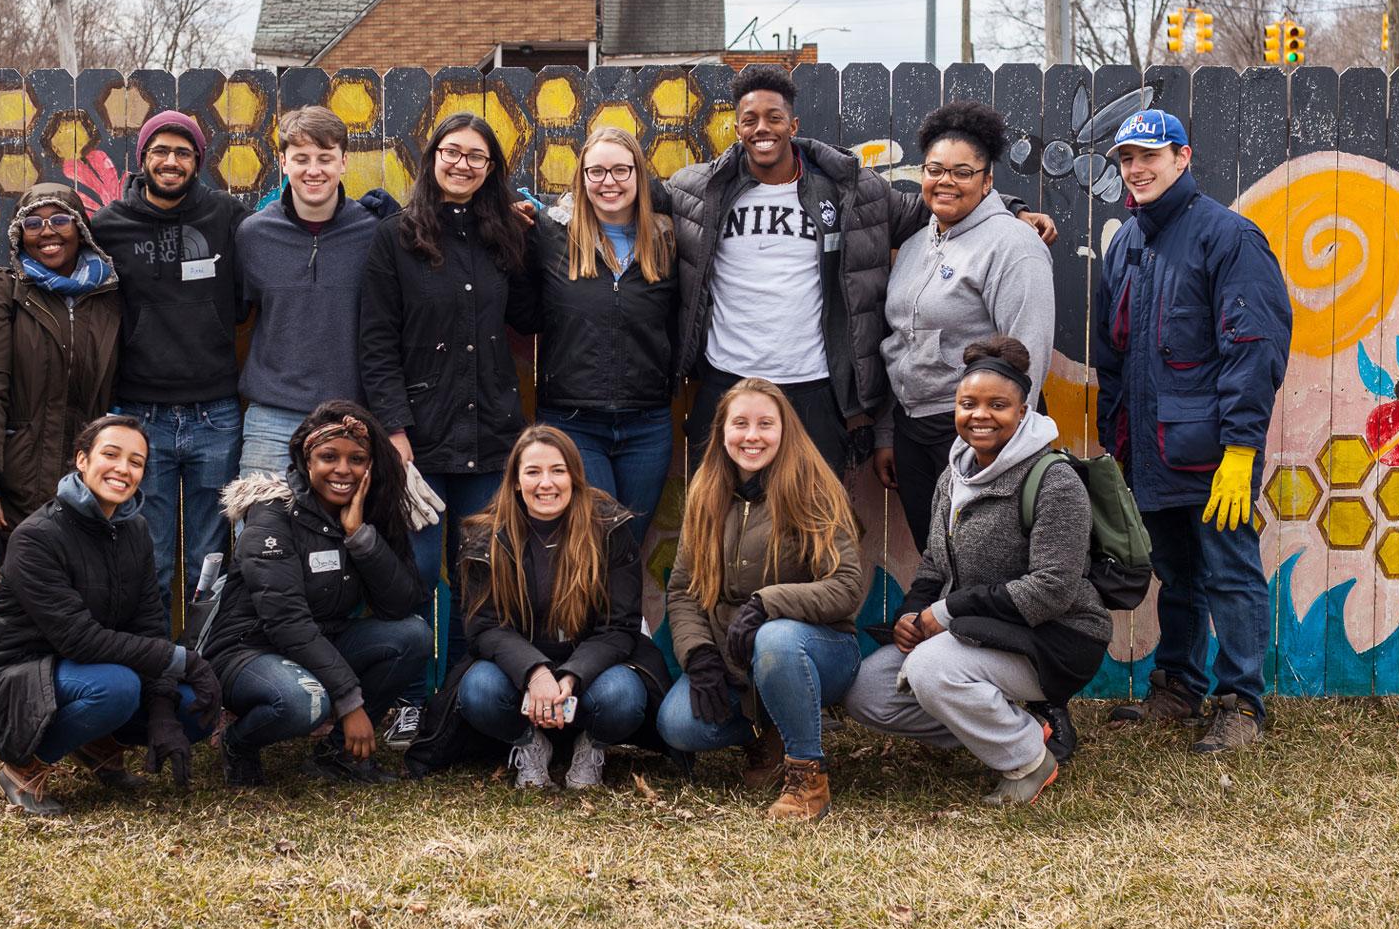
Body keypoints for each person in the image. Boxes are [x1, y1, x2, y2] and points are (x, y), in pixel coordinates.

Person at [662, 64, 1055, 477]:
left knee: (816, 522)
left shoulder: (847, 191)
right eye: (750, 119)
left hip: (814, 386)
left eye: (774, 118)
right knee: (715, 517)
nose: (763, 128)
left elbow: (936, 200)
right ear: (737, 128)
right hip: (727, 381)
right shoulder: (697, 191)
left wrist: (1011, 208)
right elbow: (633, 202)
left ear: (792, 124)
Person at [1092, 110, 1292, 753]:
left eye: (1151, 155)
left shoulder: (1227, 236)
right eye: (1126, 159)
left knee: (1229, 571)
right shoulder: (1125, 243)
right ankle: (1178, 686)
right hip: (1147, 450)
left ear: (1182, 158)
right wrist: (1115, 440)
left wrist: (1240, 450)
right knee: (1175, 569)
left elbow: (1254, 349)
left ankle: (1242, 703)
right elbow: (1114, 356)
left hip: (1212, 452)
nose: (1137, 169)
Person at [847, 336, 1112, 805]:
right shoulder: (955, 475)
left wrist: (945, 613)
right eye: (968, 403)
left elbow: (1051, 589)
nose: (980, 415)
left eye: (998, 405)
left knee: (930, 669)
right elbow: (934, 564)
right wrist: (912, 617)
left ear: (1024, 409)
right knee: (867, 691)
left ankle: (1029, 760)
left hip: (1056, 638)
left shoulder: (1053, 479)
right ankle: (1017, 728)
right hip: (977, 633)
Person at [358, 112, 541, 748]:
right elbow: (376, 340)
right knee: (411, 578)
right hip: (420, 440)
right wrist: (395, 432)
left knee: (478, 576)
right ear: (431, 157)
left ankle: (463, 699)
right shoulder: (395, 240)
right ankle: (411, 702)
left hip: (491, 435)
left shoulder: (503, 239)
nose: (463, 164)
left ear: (491, 169)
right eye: (451, 152)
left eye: (477, 157)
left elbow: (529, 315)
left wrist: (534, 237)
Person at [0, 415, 224, 815]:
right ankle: (22, 770)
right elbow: (78, 639)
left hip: (86, 670)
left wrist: (164, 710)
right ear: (82, 460)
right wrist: (184, 660)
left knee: (194, 710)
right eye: (111, 454)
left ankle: (97, 744)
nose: (123, 469)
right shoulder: (37, 536)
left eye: (136, 462)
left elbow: (150, 626)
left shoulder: (135, 531)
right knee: (116, 688)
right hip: (10, 676)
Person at [655, 377, 865, 823]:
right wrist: (700, 657)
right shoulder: (705, 493)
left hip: (815, 652)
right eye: (741, 424)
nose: (752, 436)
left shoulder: (814, 490)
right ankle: (766, 730)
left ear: (784, 429)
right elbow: (684, 590)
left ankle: (808, 777)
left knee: (776, 637)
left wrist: (769, 602)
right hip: (735, 662)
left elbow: (846, 586)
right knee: (676, 724)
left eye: (765, 424)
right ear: (723, 430)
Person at [202, 402, 432, 786]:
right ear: (306, 461)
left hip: (322, 642)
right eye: (329, 457)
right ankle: (237, 743)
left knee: (413, 635)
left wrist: (360, 537)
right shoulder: (272, 512)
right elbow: (285, 621)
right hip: (248, 652)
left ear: (370, 467)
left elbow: (401, 605)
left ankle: (337, 755)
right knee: (302, 701)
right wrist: (350, 700)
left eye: (357, 459)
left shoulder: (365, 512)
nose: (343, 469)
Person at [444, 426, 673, 790]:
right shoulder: (486, 536)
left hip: (593, 673)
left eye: (558, 470)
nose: (545, 483)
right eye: (533, 472)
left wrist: (570, 676)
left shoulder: (609, 529)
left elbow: (619, 625)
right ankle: (530, 745)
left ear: (575, 477)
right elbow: (484, 627)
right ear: (516, 481)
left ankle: (591, 747)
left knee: (624, 697)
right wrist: (536, 672)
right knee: (479, 691)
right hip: (516, 675)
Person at [872, 101, 1056, 549]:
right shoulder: (917, 243)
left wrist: (1000, 452)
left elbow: (1027, 351)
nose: (946, 182)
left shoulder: (1013, 245)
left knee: (987, 561)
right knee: (936, 558)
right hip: (915, 431)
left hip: (979, 433)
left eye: (962, 171)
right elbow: (897, 341)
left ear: (988, 179)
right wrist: (887, 431)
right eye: (935, 170)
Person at [91, 110, 251, 608]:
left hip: (216, 414)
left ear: (198, 161)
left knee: (210, 563)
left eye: (183, 152)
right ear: (143, 158)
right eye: (160, 150)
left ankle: (207, 677)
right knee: (150, 560)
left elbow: (284, 243)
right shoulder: (109, 226)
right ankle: (156, 678)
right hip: (141, 417)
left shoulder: (227, 216)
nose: (171, 161)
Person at [530, 126, 680, 548]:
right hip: (573, 421)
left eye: (620, 170)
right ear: (581, 177)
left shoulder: (667, 239)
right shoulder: (550, 234)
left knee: (628, 546)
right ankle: (585, 617)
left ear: (639, 175)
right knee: (594, 540)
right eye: (596, 172)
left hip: (647, 424)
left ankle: (626, 618)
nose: (608, 182)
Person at [236, 106, 401, 475]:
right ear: (283, 162)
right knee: (261, 526)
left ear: (344, 162)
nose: (314, 170)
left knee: (349, 530)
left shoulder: (375, 232)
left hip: (352, 416)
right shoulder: (253, 235)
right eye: (301, 158)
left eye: (325, 158)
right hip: (272, 419)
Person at [0, 182, 122, 532]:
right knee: (27, 579)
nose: (47, 232)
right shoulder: (6, 290)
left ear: (80, 230)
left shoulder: (108, 293)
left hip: (88, 477)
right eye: (32, 224)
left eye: (60, 221)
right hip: (20, 477)